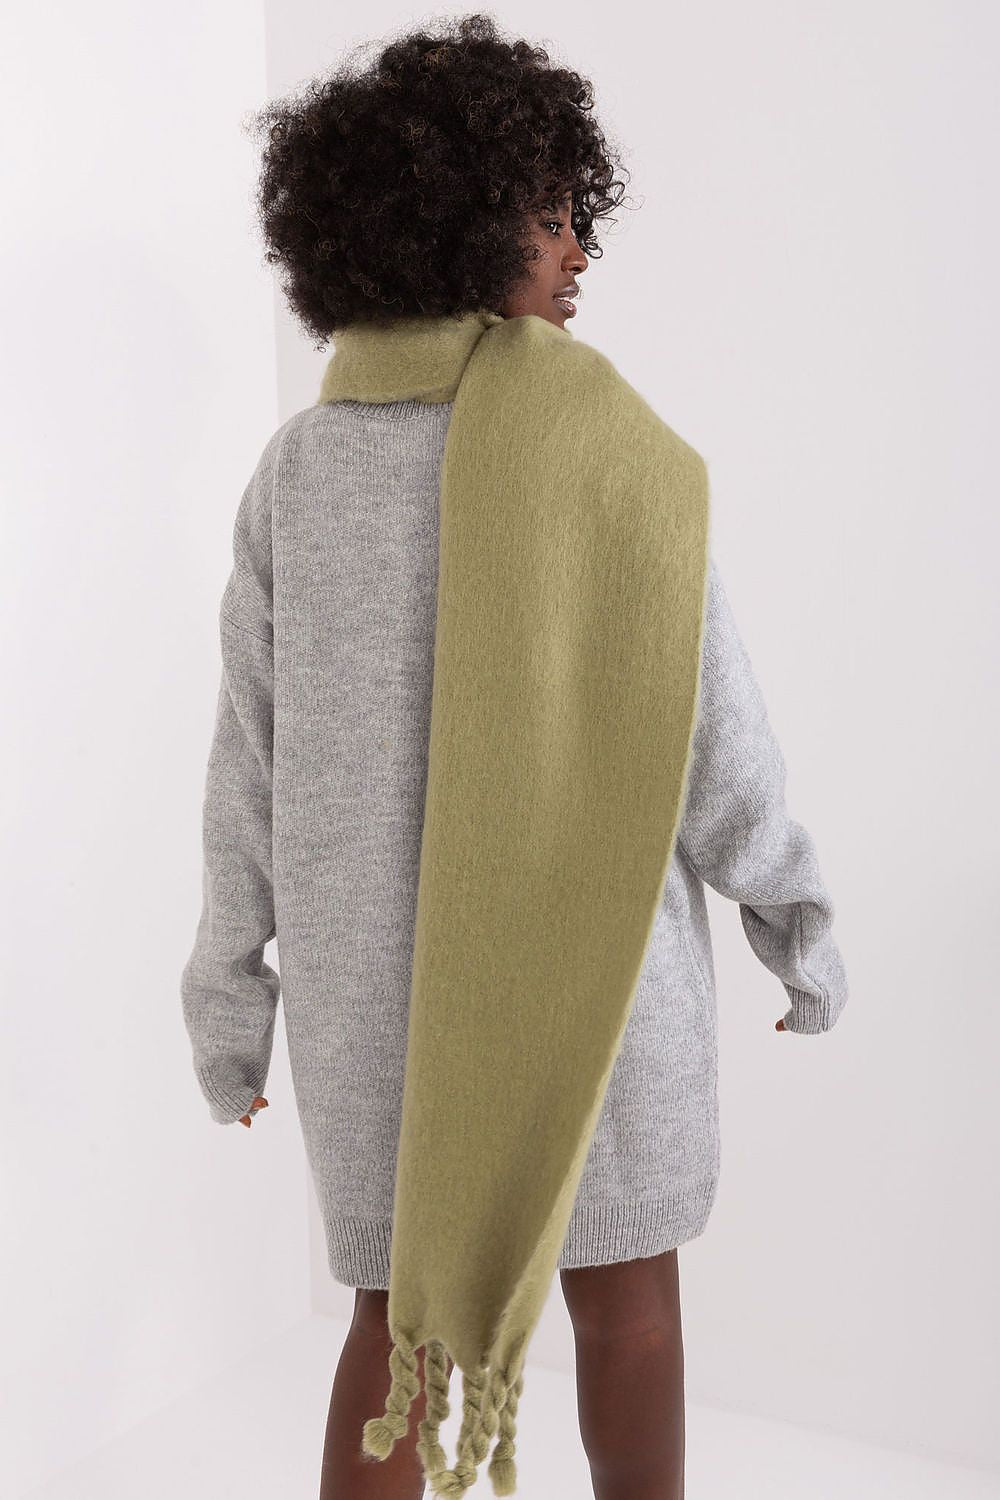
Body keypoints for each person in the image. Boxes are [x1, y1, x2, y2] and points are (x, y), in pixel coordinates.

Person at [180, 15, 848, 1499]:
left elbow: (247, 766)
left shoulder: (299, 472)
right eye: (552, 215)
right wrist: (791, 909)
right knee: (631, 1308)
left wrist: (230, 991)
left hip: (374, 1007)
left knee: (396, 1324)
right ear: (463, 224)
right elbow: (710, 726)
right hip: (599, 982)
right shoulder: (613, 453)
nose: (579, 251)